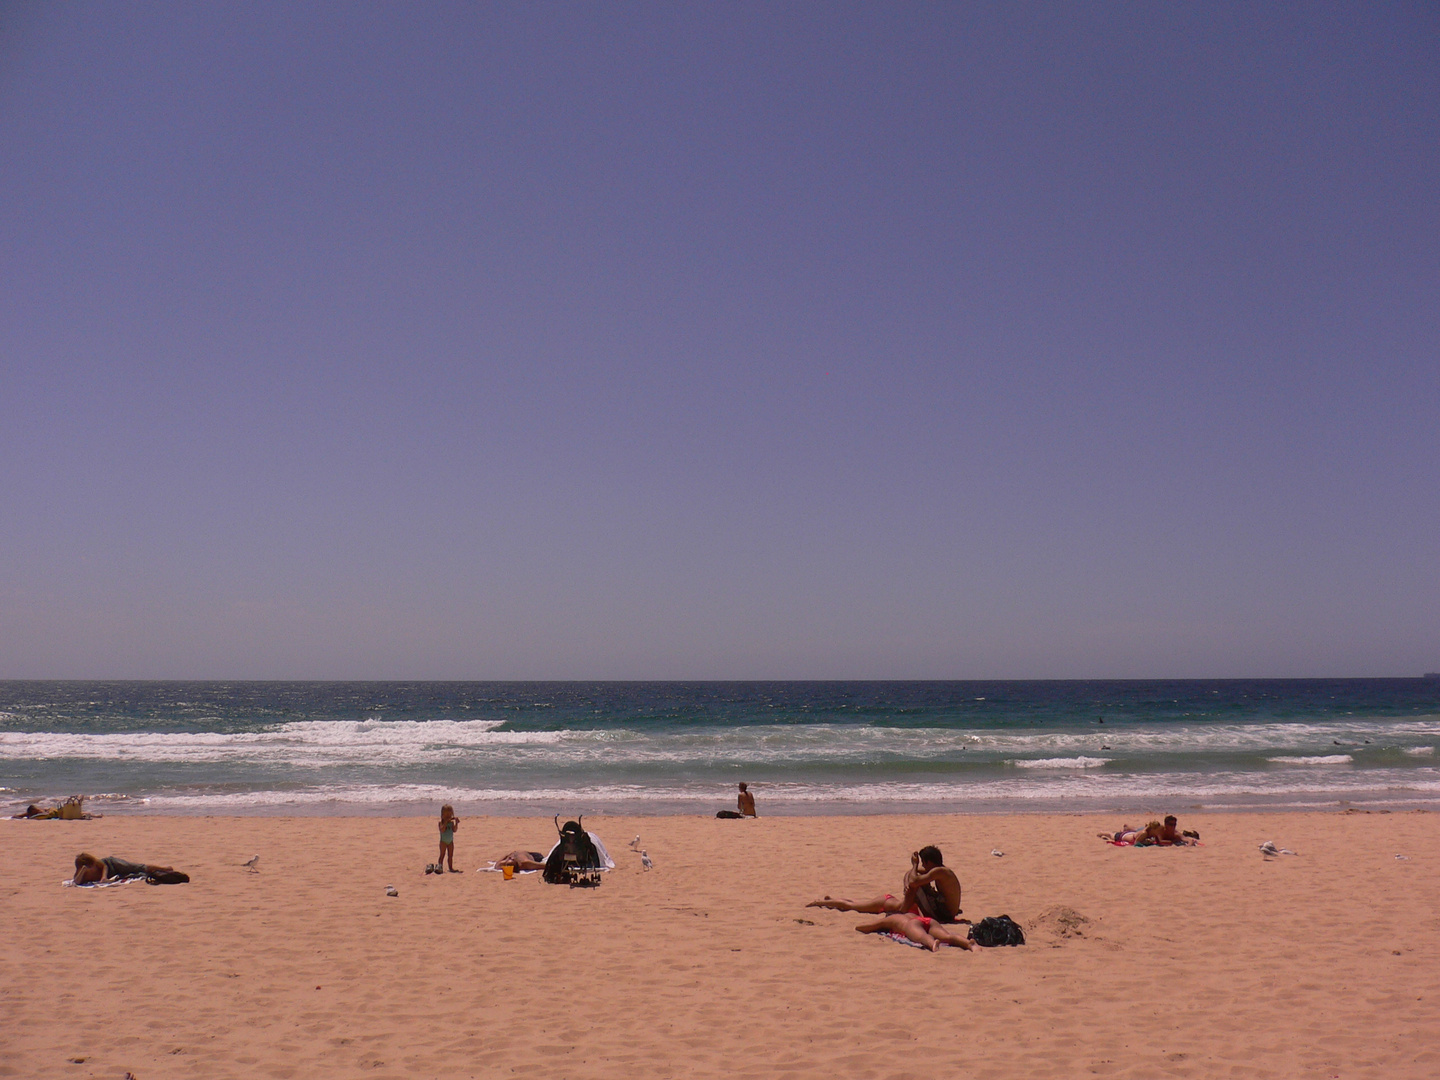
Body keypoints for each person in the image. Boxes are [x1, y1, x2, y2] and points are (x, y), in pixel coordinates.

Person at [807, 845, 964, 923]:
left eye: (924, 862)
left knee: (855, 905)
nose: (923, 865)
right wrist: (911, 877)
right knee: (856, 904)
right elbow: (911, 876)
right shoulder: (941, 870)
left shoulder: (939, 872)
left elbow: (914, 878)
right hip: (939, 909)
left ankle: (824, 902)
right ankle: (830, 901)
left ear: (929, 862)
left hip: (943, 915)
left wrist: (914, 866)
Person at [854, 912, 975, 952]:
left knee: (922, 936)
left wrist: (858, 926)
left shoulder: (892, 919)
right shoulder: (910, 914)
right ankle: (969, 944)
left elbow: (867, 927)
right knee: (948, 936)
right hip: (927, 920)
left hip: (912, 925)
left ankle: (933, 944)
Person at [72, 853, 184, 885]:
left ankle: (165, 869)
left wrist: (103, 877)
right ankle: (159, 872)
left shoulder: (97, 863)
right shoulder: (81, 871)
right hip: (114, 873)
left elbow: (104, 866)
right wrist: (83, 870)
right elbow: (76, 881)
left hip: (113, 864)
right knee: (137, 874)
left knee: (138, 867)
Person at [437, 805, 460, 872]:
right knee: (442, 854)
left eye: (450, 815)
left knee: (450, 855)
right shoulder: (441, 823)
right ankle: (440, 867)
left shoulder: (451, 823)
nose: (448, 817)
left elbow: (454, 830)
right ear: (442, 815)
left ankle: (450, 868)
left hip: (450, 841)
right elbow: (442, 830)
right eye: (446, 815)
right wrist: (446, 822)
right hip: (443, 841)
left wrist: (456, 823)